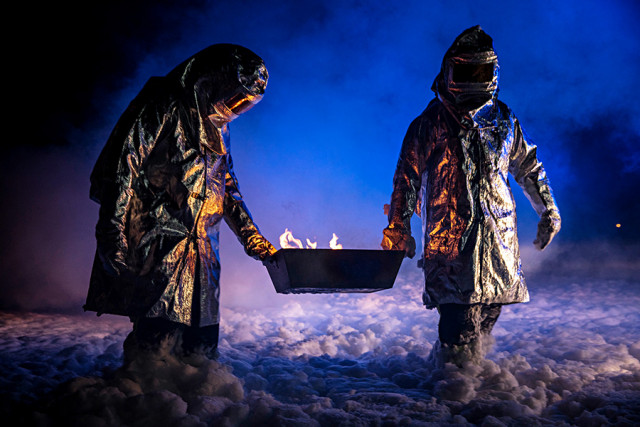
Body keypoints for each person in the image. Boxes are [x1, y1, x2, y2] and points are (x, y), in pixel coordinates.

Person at [84, 44, 276, 361]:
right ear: (211, 81)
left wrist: (252, 237)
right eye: (233, 97)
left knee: (200, 345)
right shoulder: (164, 104)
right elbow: (125, 166)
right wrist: (112, 230)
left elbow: (225, 184)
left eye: (242, 104)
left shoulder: (217, 124)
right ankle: (145, 402)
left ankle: (197, 401)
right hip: (161, 244)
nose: (232, 108)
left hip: (203, 251)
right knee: (156, 339)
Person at [381, 26, 561, 365]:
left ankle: (469, 388)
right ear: (450, 71)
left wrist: (548, 210)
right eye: (468, 71)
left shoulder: (504, 119)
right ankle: (451, 390)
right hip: (451, 244)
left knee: (487, 317)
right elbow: (406, 178)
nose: (475, 79)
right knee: (457, 323)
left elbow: (528, 166)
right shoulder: (431, 122)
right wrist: (398, 227)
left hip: (498, 241)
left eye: (482, 71)